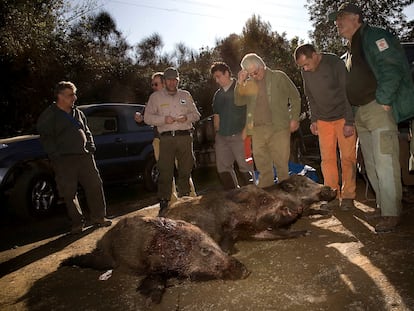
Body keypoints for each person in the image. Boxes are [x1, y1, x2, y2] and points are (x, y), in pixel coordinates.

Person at [329, 2, 414, 232]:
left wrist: (385, 99)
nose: (338, 22)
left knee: (385, 161)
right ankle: (383, 206)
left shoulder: (375, 36)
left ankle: (391, 212)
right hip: (360, 112)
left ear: (356, 17)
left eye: (342, 16)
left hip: (378, 107)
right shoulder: (349, 50)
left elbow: (391, 67)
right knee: (371, 163)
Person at [37, 81, 111, 234]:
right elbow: (46, 138)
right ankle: (77, 224)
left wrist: (90, 145)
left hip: (84, 156)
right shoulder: (49, 115)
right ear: (60, 96)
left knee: (95, 185)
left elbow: (87, 130)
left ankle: (99, 217)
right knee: (69, 193)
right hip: (64, 160)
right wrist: (56, 156)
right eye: (71, 95)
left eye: (74, 94)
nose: (75, 98)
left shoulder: (78, 113)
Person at [294, 43, 357, 211]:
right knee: (327, 160)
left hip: (343, 117)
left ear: (315, 55)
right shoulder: (305, 72)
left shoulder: (334, 63)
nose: (305, 69)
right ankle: (332, 196)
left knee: (348, 158)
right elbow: (310, 97)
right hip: (323, 120)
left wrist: (350, 121)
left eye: (306, 64)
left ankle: (349, 195)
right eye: (302, 66)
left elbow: (347, 92)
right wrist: (314, 120)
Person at [235, 53, 301, 188]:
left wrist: (294, 118)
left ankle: (287, 201)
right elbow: (238, 101)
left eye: (256, 72)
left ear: (262, 65)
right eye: (250, 74)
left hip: (279, 128)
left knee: (282, 166)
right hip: (258, 130)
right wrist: (240, 83)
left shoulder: (278, 77)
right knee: (263, 168)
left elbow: (295, 97)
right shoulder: (248, 84)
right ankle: (268, 201)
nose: (254, 75)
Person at [144, 67, 200, 215]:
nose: (172, 82)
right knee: (165, 171)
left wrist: (187, 117)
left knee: (185, 170)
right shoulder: (155, 98)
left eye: (175, 79)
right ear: (164, 81)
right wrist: (163, 120)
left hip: (185, 137)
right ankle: (164, 203)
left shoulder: (185, 95)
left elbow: (196, 114)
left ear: (178, 80)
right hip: (166, 138)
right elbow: (147, 118)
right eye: (169, 80)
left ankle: (186, 200)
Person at [210, 61, 253, 189]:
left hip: (240, 134)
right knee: (223, 168)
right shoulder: (217, 95)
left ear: (227, 73)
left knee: (245, 167)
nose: (217, 80)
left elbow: (251, 109)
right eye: (215, 78)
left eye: (219, 76)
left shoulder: (240, 86)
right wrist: (216, 134)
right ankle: (234, 196)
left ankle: (253, 196)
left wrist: (248, 130)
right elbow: (216, 115)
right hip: (222, 137)